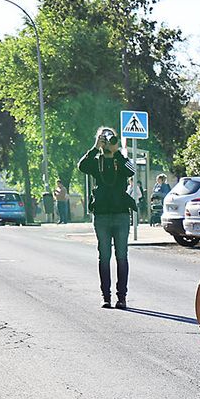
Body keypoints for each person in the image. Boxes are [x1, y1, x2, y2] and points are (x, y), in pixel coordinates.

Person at [77, 128, 135, 309]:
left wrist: (117, 151)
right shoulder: (96, 162)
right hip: (101, 215)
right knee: (104, 257)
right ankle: (106, 296)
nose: (109, 142)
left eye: (111, 139)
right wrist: (95, 148)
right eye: (105, 139)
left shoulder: (120, 160)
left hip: (121, 215)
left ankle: (122, 297)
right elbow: (81, 167)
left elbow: (131, 171)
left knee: (121, 257)